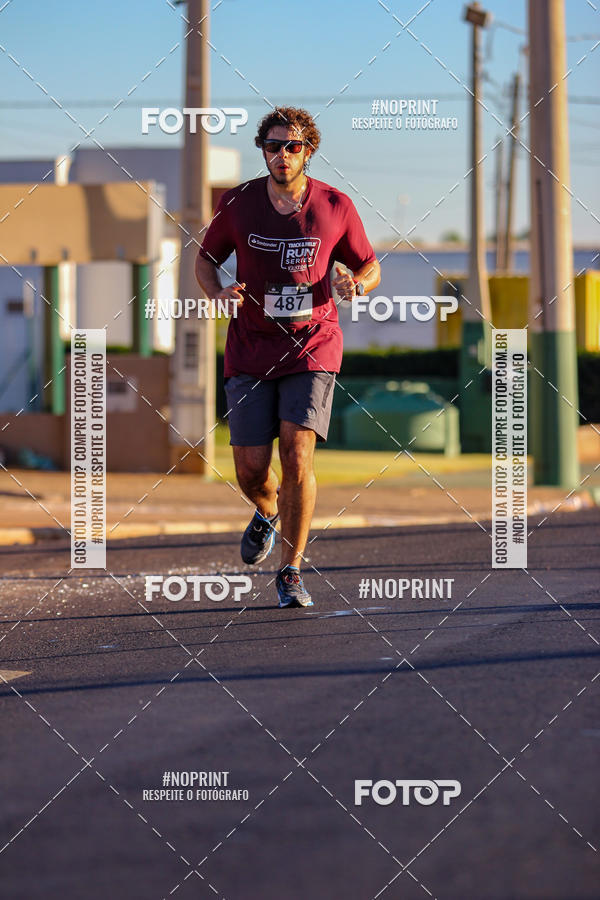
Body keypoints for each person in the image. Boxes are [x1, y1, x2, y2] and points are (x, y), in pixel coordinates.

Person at [195, 106, 381, 608]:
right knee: (252, 470)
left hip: (313, 344)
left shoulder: (335, 205)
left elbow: (369, 265)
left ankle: (291, 570)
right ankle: (266, 512)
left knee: (296, 451)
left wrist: (356, 283)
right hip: (251, 348)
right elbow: (206, 259)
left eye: (292, 146)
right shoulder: (239, 203)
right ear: (264, 151)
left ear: (309, 151)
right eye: (273, 146)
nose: (282, 155)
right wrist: (215, 292)